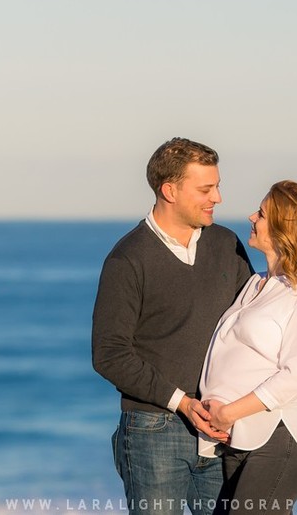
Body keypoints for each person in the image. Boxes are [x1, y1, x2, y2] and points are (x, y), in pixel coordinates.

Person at [92, 137, 254, 515]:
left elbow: (252, 318)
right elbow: (109, 355)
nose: (218, 197)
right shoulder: (127, 259)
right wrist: (182, 401)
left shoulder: (226, 244)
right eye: (205, 189)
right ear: (170, 190)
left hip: (221, 426)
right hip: (154, 431)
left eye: (217, 186)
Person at [198, 180, 297, 515]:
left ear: (284, 229)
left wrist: (227, 413)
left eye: (262, 213)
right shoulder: (255, 283)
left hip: (278, 437)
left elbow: (295, 376)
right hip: (239, 439)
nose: (252, 216)